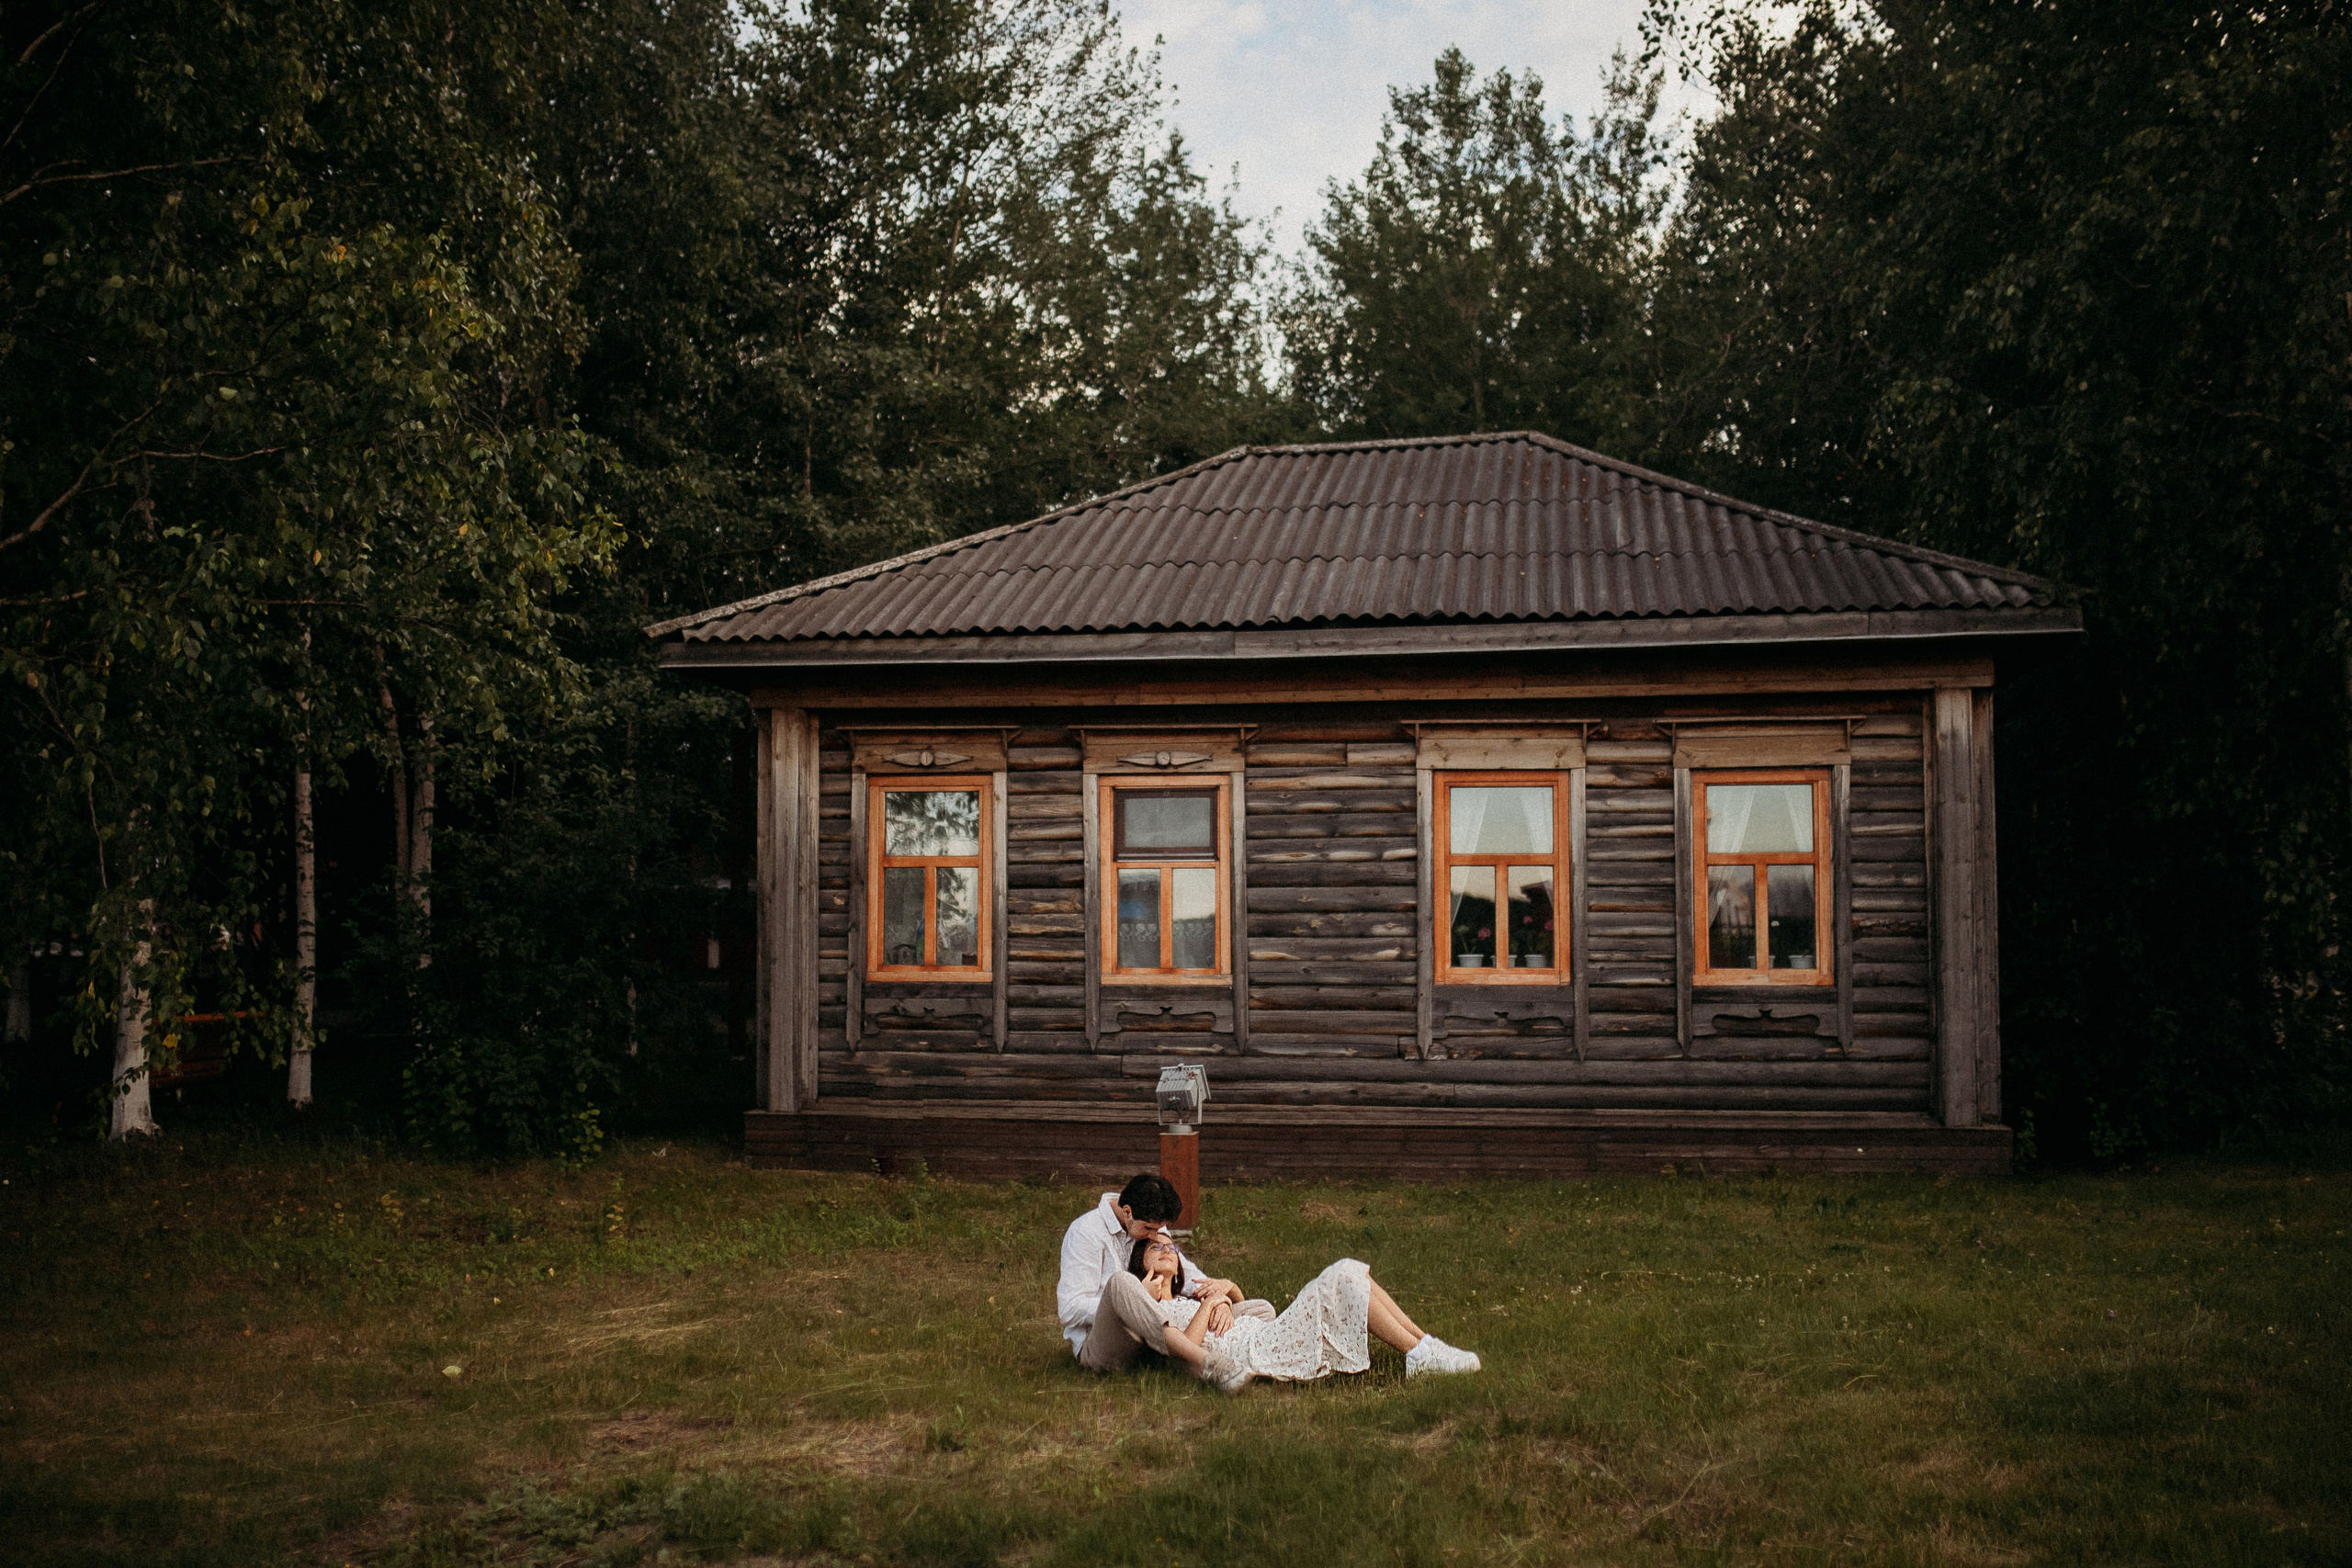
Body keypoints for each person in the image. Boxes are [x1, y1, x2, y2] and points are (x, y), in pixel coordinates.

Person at [1129, 1233, 1481, 1392]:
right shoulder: (1153, 1306)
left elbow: (1244, 1304)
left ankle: (1424, 1346)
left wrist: (1225, 1290)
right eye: (1153, 1247)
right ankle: (1419, 1354)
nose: (1165, 1249)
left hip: (1262, 1332)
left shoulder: (1192, 1292)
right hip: (1255, 1350)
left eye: (1169, 1246)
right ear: (1138, 1262)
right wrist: (1211, 1303)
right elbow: (1184, 1350)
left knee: (1351, 1274)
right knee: (1342, 1275)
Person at [1057, 1173, 1272, 1374]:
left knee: (1259, 1310)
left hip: (1155, 1337)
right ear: (1128, 1212)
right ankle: (1205, 1363)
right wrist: (1137, 1298)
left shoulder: (1152, 1223)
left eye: (1159, 1230)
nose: (1154, 1236)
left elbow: (1185, 1271)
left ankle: (1240, 1355)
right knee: (1121, 1283)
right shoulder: (1086, 1233)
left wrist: (1218, 1300)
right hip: (1106, 1343)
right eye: (1149, 1230)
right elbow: (1069, 1310)